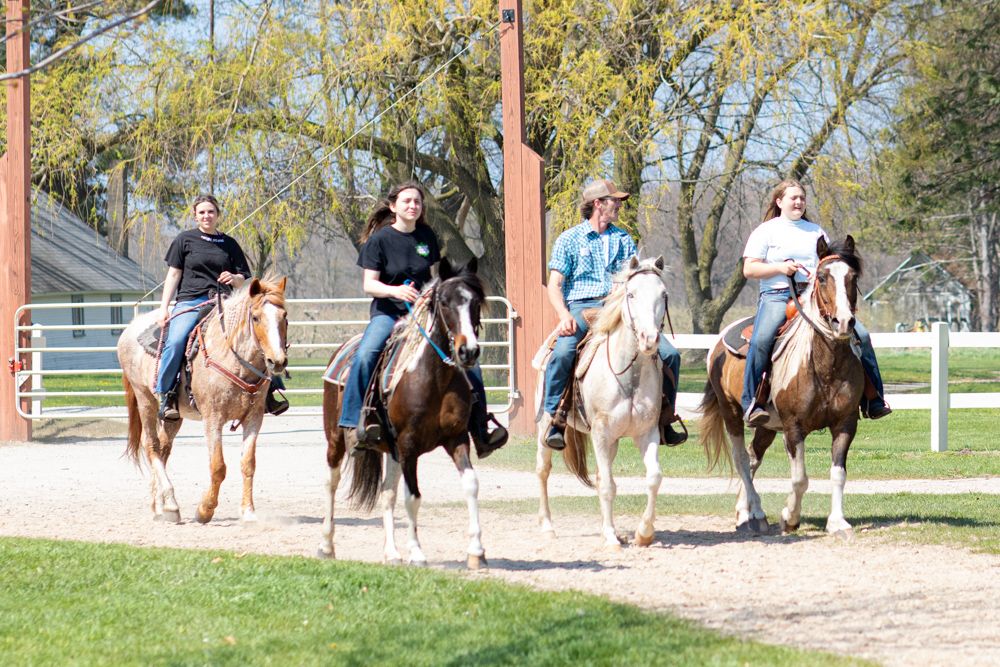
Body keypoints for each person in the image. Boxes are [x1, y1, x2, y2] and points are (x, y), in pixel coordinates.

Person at [337, 181, 508, 457]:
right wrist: (395, 290)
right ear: (393, 206)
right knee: (368, 353)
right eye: (406, 201)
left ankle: (481, 430)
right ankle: (352, 422)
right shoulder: (379, 241)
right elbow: (369, 284)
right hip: (388, 313)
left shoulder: (427, 236)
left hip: (422, 314)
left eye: (417, 202)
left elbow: (433, 278)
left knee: (467, 362)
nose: (413, 206)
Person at [542, 179, 686, 450]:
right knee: (563, 353)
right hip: (581, 308)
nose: (619, 205)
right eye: (614, 201)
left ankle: (664, 418)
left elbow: (634, 280)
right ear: (598, 204)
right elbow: (555, 284)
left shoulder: (623, 239)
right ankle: (555, 417)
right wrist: (563, 315)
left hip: (619, 307)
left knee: (670, 355)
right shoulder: (569, 239)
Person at [741, 179, 891, 427]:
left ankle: (874, 399)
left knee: (861, 336)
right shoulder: (765, 231)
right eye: (793, 198)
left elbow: (829, 263)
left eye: (802, 197)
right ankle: (751, 403)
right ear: (779, 202)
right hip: (777, 295)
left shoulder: (816, 231)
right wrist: (781, 267)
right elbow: (749, 268)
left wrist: (818, 274)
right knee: (761, 339)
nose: (798, 202)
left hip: (814, 297)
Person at [155, 194, 288, 421]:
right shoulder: (184, 240)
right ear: (195, 216)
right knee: (176, 340)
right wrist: (164, 307)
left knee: (255, 336)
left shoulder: (229, 243)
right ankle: (166, 394)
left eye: (211, 212)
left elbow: (242, 279)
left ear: (217, 215)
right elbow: (174, 274)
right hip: (191, 301)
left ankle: (270, 392)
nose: (207, 216)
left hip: (225, 302)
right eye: (202, 212)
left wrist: (234, 277)